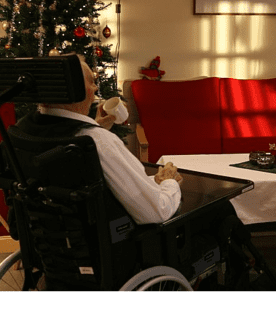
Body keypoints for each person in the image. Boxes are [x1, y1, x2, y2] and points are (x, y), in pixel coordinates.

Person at [15, 55, 182, 224]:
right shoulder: (97, 141)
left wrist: (97, 127)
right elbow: (156, 212)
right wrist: (169, 182)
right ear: (75, 89)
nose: (95, 88)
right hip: (112, 246)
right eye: (90, 82)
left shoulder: (23, 129)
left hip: (49, 241)